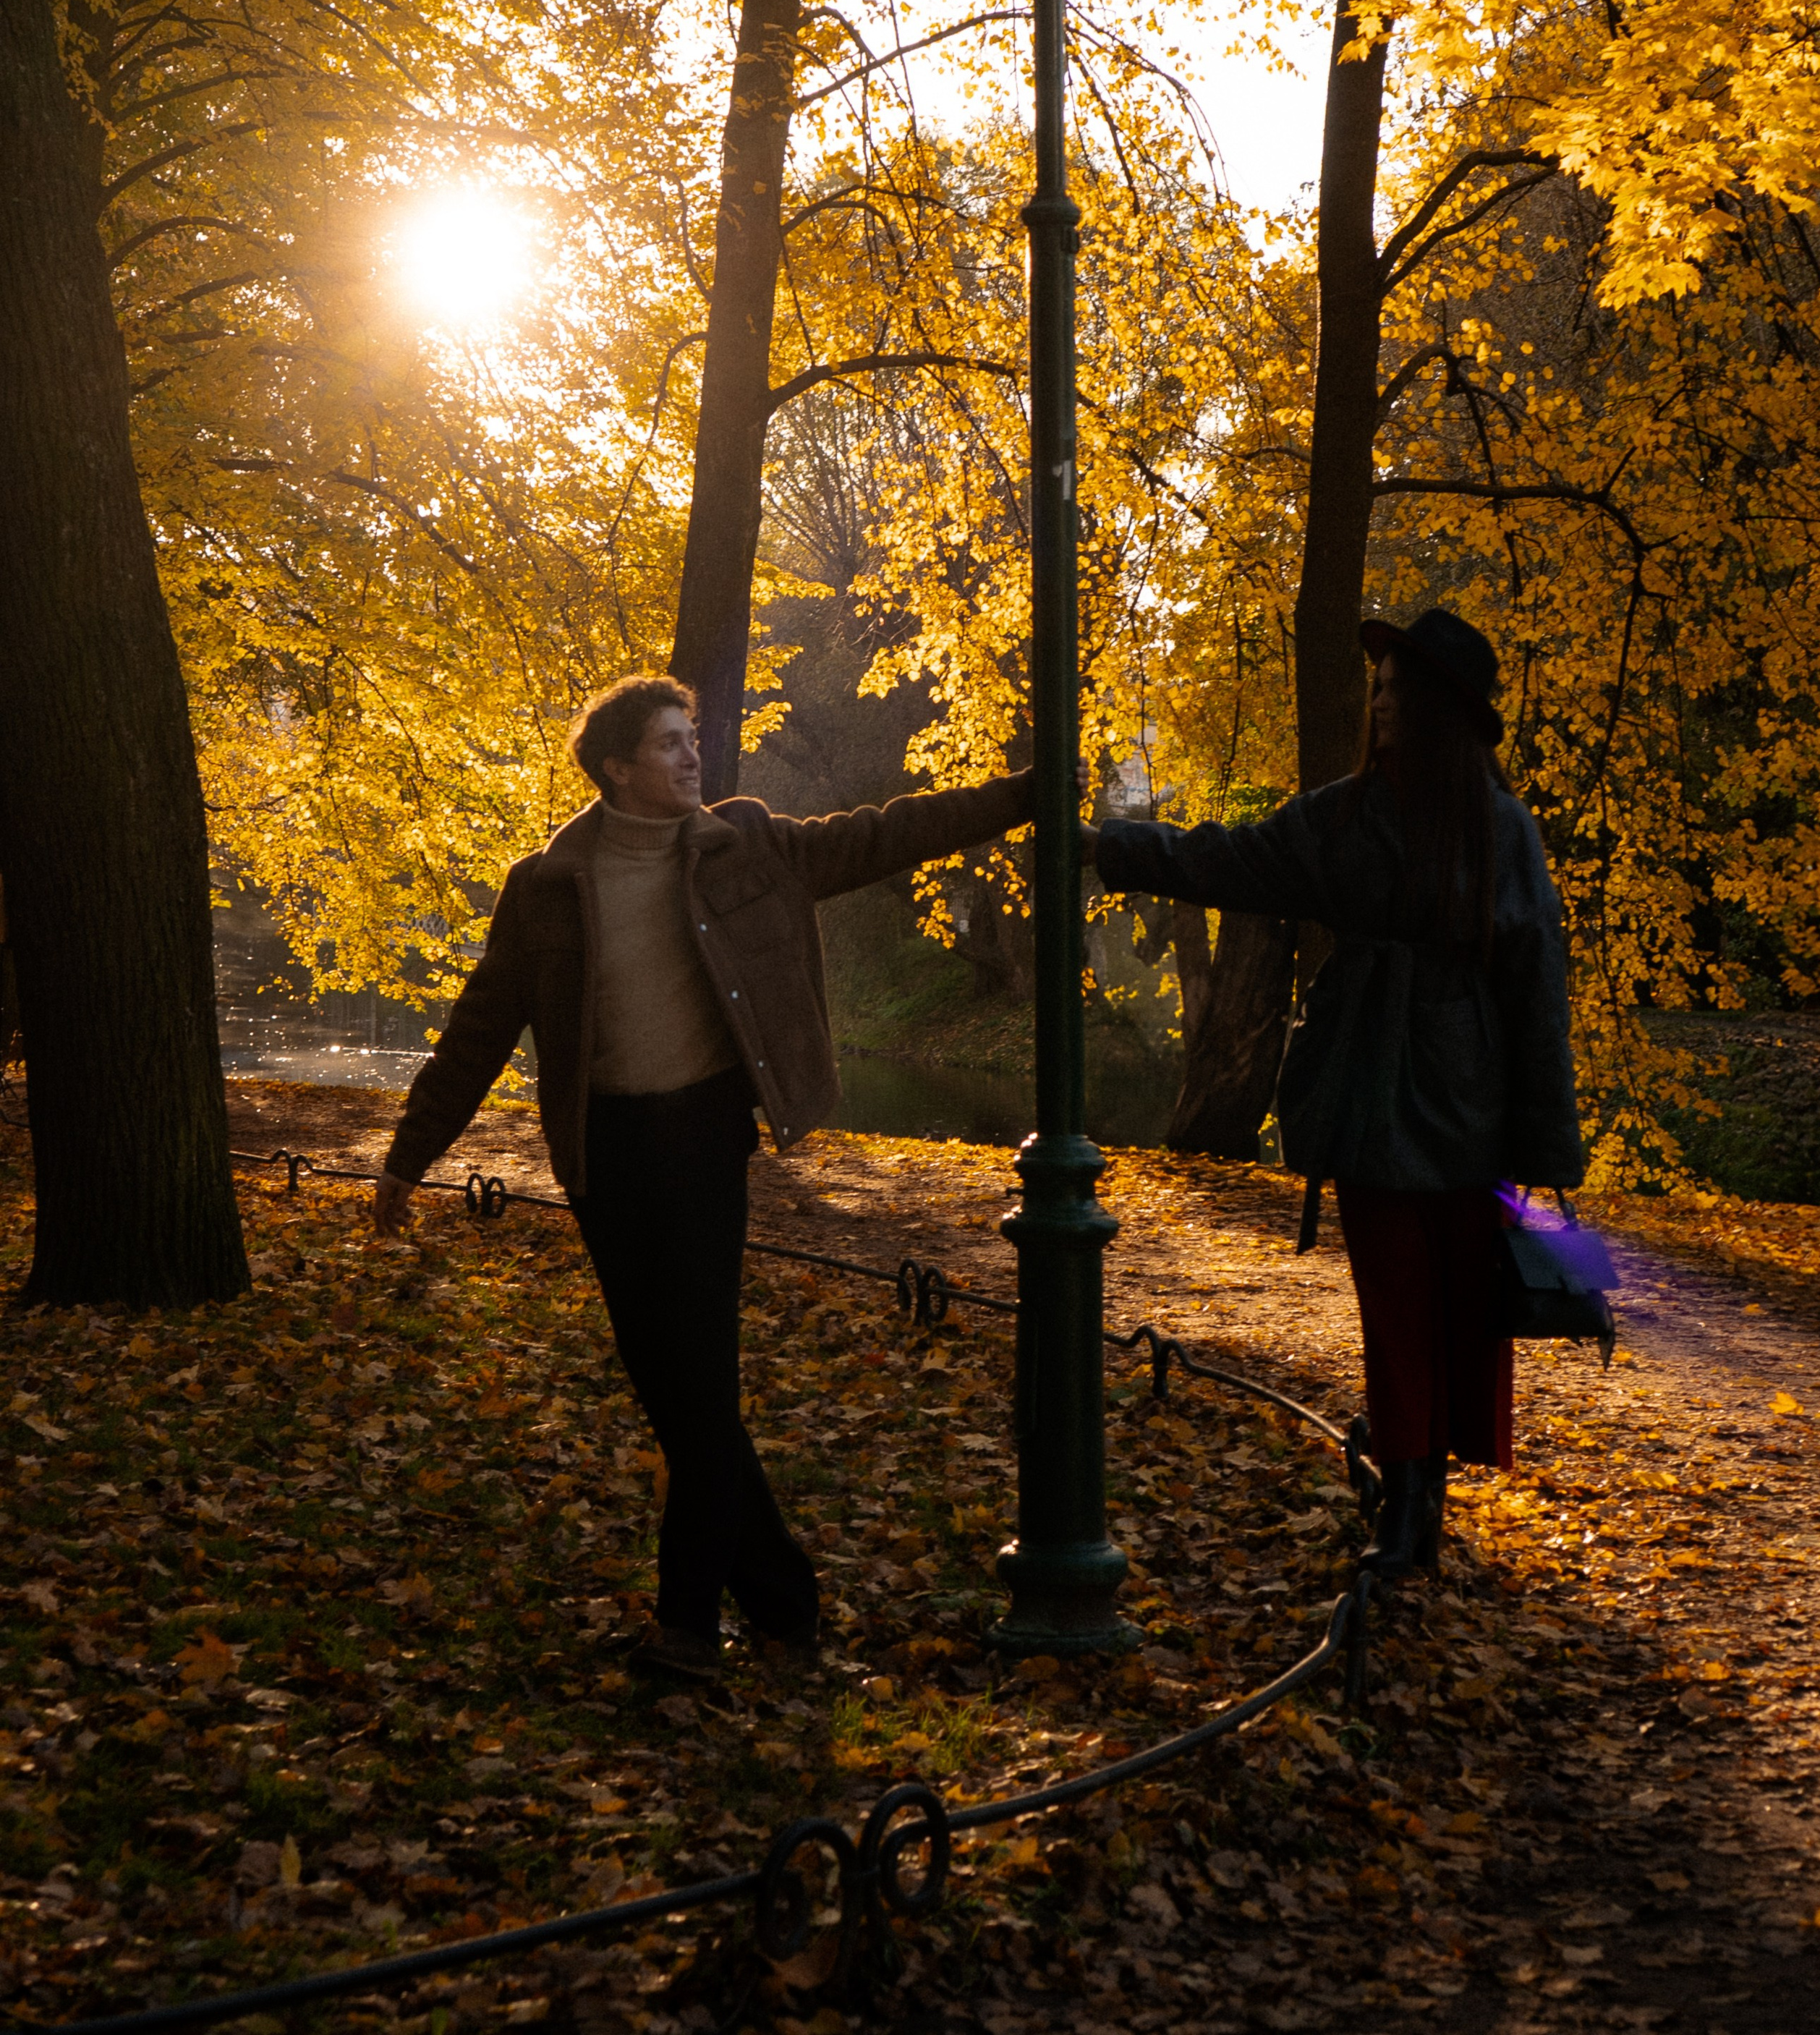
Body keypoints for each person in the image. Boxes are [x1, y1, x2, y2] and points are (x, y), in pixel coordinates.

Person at [374, 676, 1030, 1678]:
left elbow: (887, 832)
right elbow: (476, 1032)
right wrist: (408, 1158)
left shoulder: (746, 846)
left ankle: (688, 1628)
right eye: (671, 745)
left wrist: (1023, 794)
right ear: (615, 769)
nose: (693, 758)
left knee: (701, 1388)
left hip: (702, 1142)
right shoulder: (548, 885)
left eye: (693, 741)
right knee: (677, 1397)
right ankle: (783, 1607)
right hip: (606, 1159)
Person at [1085, 608, 1581, 1578]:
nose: (1381, 700)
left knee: (1450, 1308)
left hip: (1444, 1099)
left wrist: (1545, 1151)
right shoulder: (1357, 817)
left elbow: (1535, 983)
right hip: (1378, 1094)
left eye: (1398, 687)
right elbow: (1226, 858)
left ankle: (1417, 1502)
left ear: (1438, 706)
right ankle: (1409, 1505)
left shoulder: (1488, 829)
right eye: (1380, 685)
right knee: (1401, 1303)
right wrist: (1116, 847)